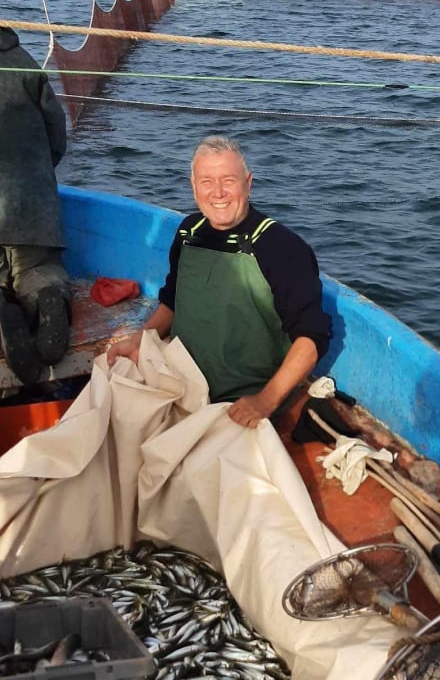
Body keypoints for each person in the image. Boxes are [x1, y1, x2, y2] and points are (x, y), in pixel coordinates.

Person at [108, 136, 331, 429]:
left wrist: (265, 400)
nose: (218, 193)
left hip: (241, 398)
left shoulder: (283, 247)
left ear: (248, 183)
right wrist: (140, 340)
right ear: (193, 186)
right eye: (207, 181)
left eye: (228, 180)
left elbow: (312, 337)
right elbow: (173, 300)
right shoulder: (189, 232)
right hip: (179, 377)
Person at [0, 26, 71, 385]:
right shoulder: (24, 61)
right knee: (38, 268)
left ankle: (3, 311)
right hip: (33, 202)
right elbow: (56, 129)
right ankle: (46, 295)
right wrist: (40, 176)